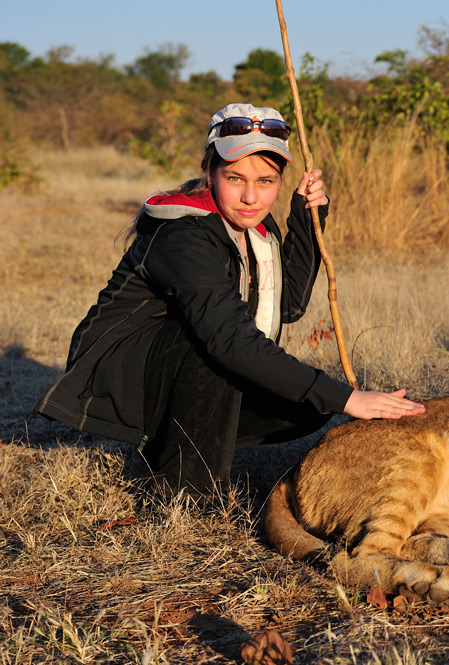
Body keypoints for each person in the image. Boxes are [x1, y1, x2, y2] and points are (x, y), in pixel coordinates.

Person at [36, 103, 424, 495]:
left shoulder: (254, 225)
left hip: (190, 365)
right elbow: (229, 340)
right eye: (235, 178)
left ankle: (183, 440)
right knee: (217, 347)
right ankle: (185, 491)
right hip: (117, 379)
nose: (251, 196)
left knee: (308, 406)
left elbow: (286, 306)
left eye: (267, 181)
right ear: (210, 173)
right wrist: (347, 397)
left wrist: (307, 221)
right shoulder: (182, 235)